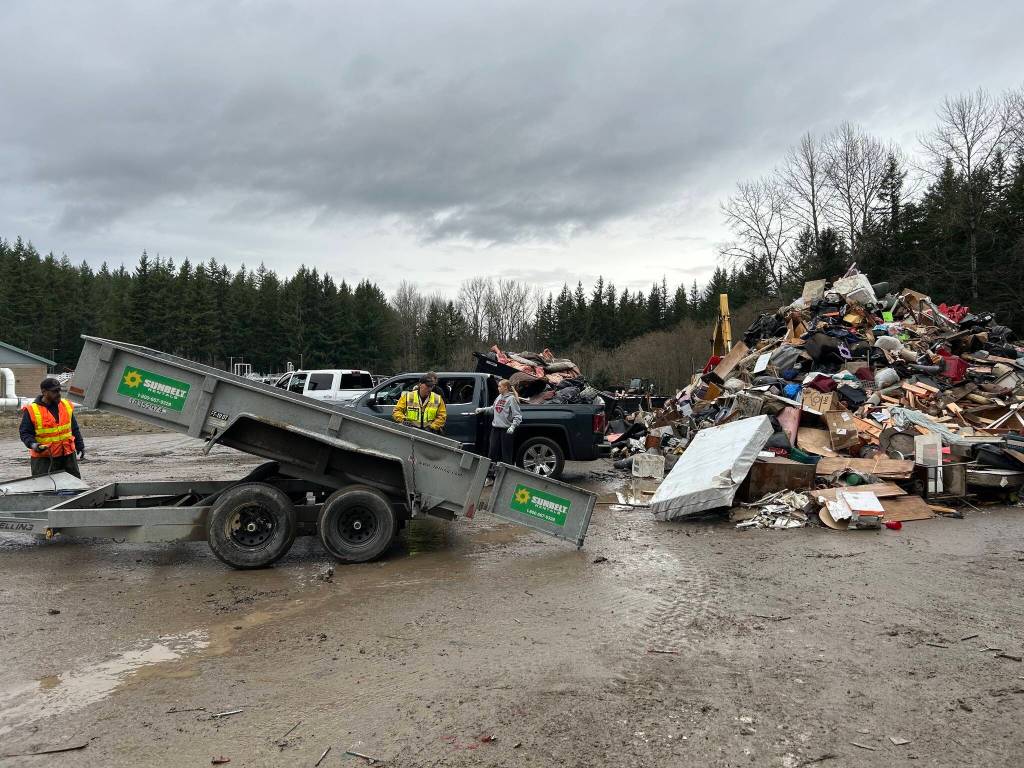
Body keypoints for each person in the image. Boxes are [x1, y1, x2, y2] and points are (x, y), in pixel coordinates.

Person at [19, 377, 85, 478]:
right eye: (54, 391)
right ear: (44, 392)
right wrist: (33, 445)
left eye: (59, 390)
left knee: (74, 488)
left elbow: (74, 428)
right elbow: (25, 433)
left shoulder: (65, 405)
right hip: (44, 458)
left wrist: (80, 445)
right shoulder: (32, 410)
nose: (58, 393)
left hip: (67, 456)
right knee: (45, 489)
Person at [476, 379, 522, 474]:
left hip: (506, 430)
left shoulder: (511, 399)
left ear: (505, 387)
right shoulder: (499, 397)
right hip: (495, 429)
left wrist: (513, 426)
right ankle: (490, 475)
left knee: (506, 454)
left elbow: (517, 415)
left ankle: (506, 475)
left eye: (499, 386)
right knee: (492, 452)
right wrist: (482, 409)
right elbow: (493, 409)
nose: (498, 388)